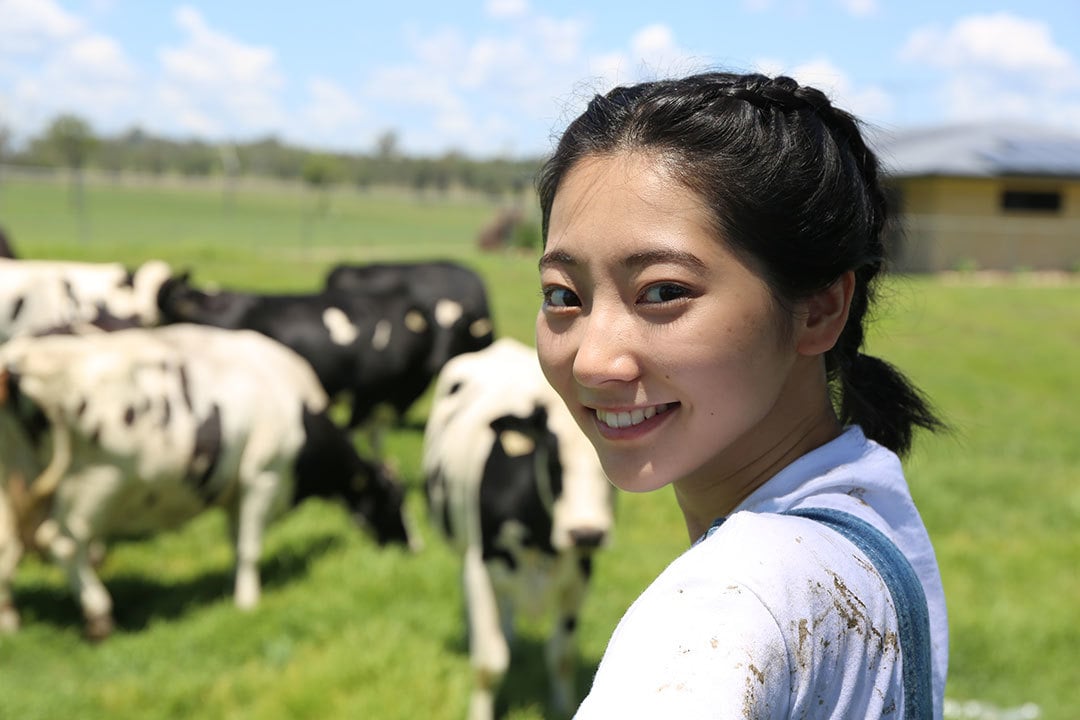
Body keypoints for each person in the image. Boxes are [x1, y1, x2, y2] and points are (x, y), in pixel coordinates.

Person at [534, 72, 948, 719]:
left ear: (817, 310)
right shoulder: (865, 515)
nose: (594, 359)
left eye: (663, 292)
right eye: (564, 296)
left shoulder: (722, 612)